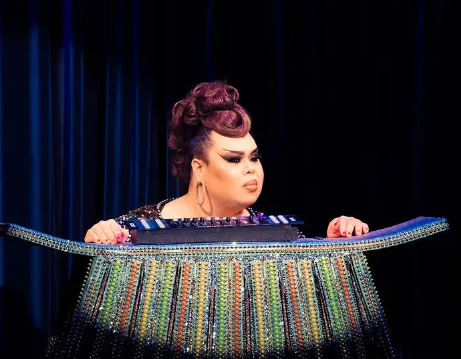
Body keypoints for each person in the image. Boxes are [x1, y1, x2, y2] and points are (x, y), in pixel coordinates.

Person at [84, 80, 369, 244]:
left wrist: (332, 247)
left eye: (254, 157)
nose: (250, 168)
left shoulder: (276, 234)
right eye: (233, 159)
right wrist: (100, 238)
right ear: (198, 168)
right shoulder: (137, 229)